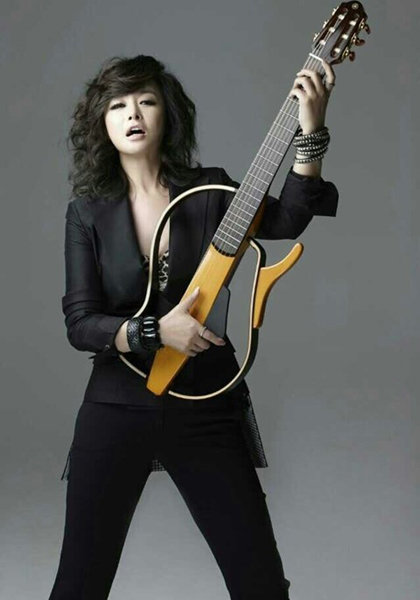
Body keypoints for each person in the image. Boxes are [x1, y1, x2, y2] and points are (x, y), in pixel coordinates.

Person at [49, 54, 338, 599]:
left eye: (146, 101)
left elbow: (288, 219)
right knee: (79, 585)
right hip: (116, 405)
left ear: (168, 114)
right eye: (117, 105)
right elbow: (81, 324)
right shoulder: (87, 212)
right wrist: (155, 332)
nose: (133, 114)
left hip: (207, 401)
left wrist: (311, 133)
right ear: (102, 123)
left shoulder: (210, 190)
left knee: (260, 584)